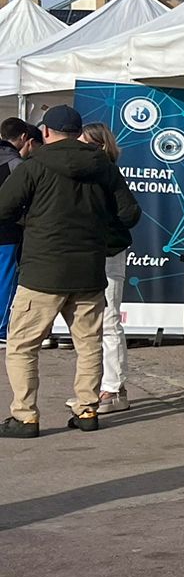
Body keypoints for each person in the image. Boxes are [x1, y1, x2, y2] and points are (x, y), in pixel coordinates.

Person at [0, 106, 140, 436]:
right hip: (89, 271)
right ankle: (87, 410)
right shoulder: (103, 166)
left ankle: (25, 416)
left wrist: (29, 221)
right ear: (78, 131)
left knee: (22, 346)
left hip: (42, 272)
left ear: (45, 132)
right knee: (89, 345)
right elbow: (130, 214)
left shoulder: (34, 165)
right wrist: (98, 228)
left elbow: (2, 207)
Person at [79, 123, 133, 413]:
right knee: (91, 322)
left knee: (110, 319)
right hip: (90, 252)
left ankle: (113, 388)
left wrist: (104, 230)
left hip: (109, 252)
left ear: (100, 146)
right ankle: (97, 386)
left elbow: (128, 213)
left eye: (85, 144)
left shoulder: (109, 174)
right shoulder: (89, 174)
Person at [0, 117, 36, 344]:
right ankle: (2, 328)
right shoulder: (17, 166)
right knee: (5, 279)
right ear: (24, 138)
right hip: (8, 231)